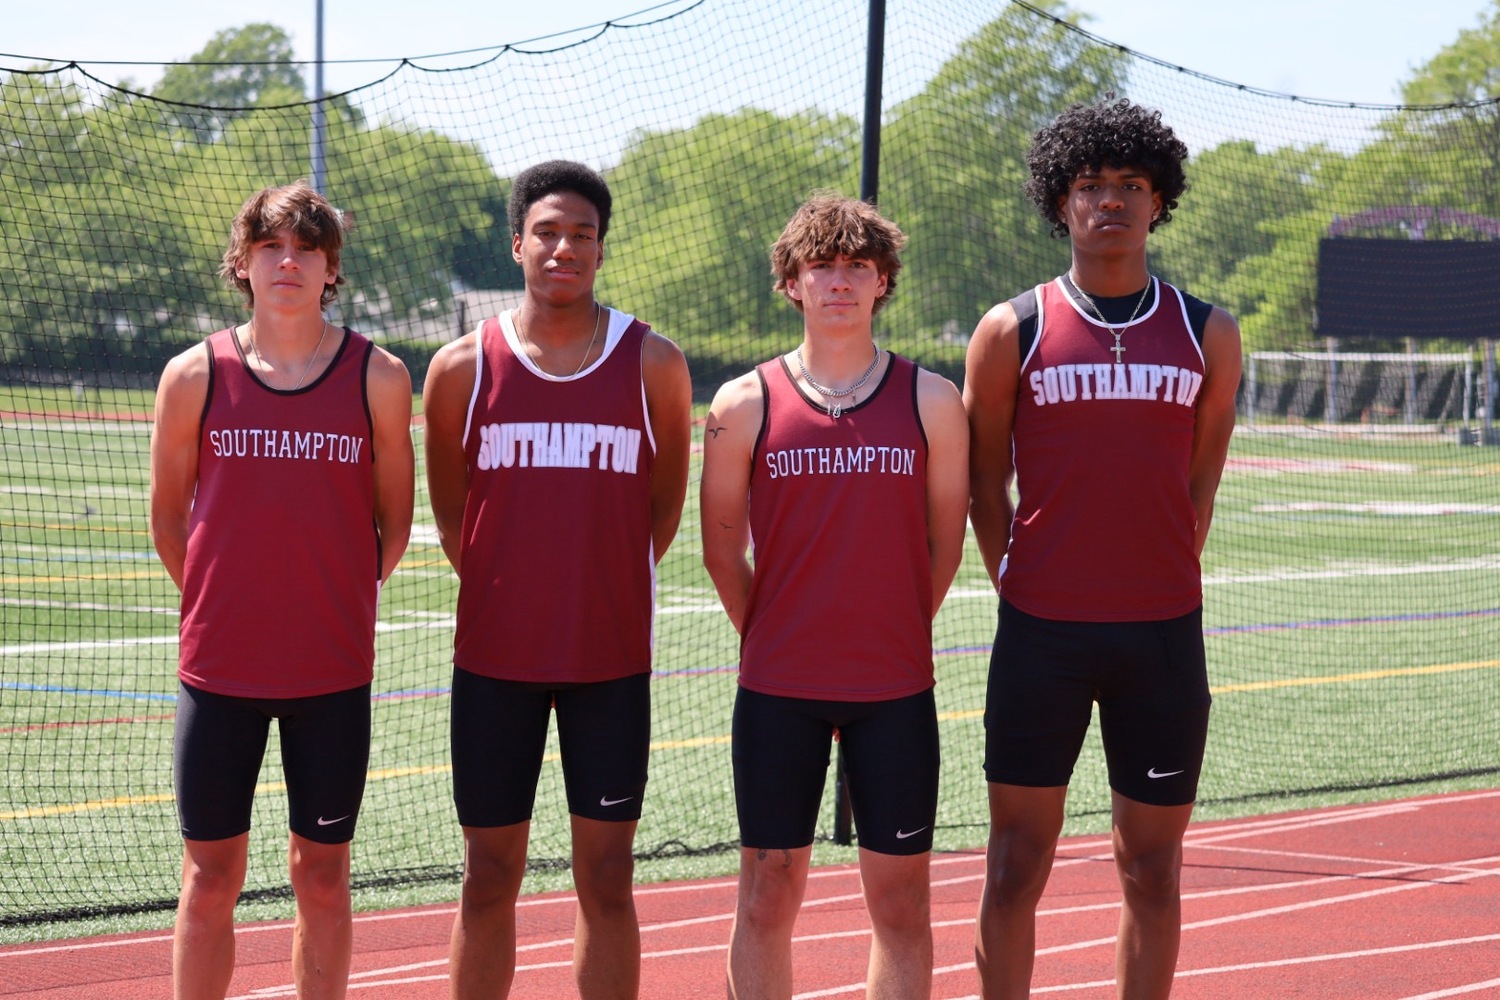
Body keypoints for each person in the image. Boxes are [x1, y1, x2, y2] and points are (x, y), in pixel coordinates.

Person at [964, 98, 1242, 999]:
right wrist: (1021, 575)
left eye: (1131, 185)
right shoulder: (1014, 328)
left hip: (1162, 632)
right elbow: (981, 479)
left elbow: (1201, 479)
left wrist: (1157, 565)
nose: (1111, 201)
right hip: (1042, 631)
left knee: (1152, 871)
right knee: (1012, 866)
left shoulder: (1209, 332)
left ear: (1160, 199)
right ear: (1061, 203)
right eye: (1090, 185)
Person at [422, 159, 693, 999]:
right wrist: (521, 592)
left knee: (607, 878)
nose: (564, 247)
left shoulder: (653, 362)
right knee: (487, 875)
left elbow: (662, 509)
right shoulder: (461, 369)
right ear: (517, 244)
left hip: (609, 665)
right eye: (547, 232)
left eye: (582, 234)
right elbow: (452, 516)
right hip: (494, 664)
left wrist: (590, 587)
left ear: (602, 250)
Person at [149, 181, 415, 1000]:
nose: (288, 262)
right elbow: (168, 519)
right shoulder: (194, 374)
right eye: (271, 247)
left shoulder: (380, 376)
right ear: (244, 263)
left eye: (306, 248)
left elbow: (394, 523)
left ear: (332, 267)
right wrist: (227, 610)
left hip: (330, 674)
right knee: (210, 878)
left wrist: (322, 604)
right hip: (219, 671)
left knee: (324, 877)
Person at [700, 195, 970, 999]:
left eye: (858, 267)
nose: (840, 282)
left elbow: (944, 545)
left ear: (884, 281)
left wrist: (882, 628)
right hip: (778, 688)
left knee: (902, 902)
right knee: (767, 890)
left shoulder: (933, 401)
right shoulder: (743, 404)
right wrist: (782, 634)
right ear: (792, 283)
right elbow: (720, 552)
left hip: (894, 689)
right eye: (823, 266)